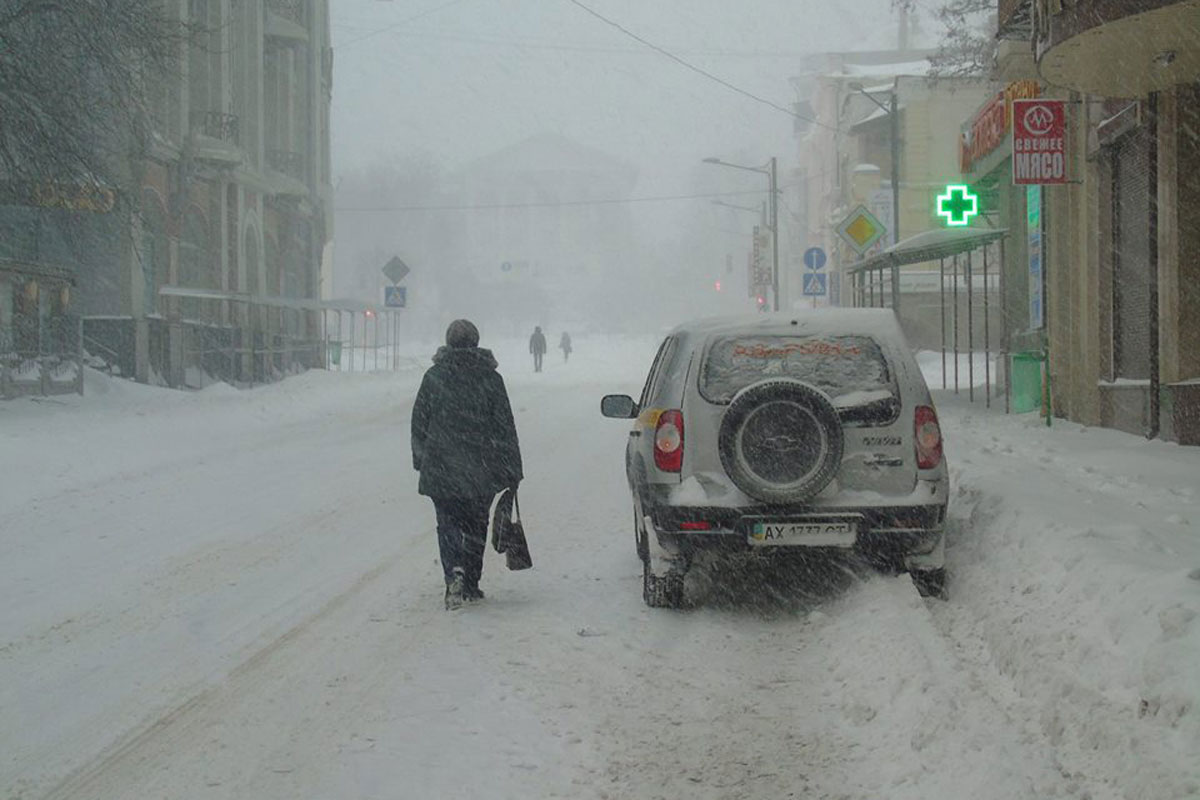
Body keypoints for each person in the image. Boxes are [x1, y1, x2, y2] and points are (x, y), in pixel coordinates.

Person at [412, 319, 523, 609]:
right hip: (481, 468)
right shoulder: (490, 379)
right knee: (476, 524)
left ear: (448, 343)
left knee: (447, 523)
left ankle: (453, 575)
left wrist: (421, 459)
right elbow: (504, 426)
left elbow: (419, 422)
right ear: (476, 342)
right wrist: (513, 468)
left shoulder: (434, 377)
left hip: (441, 467)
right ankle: (471, 582)